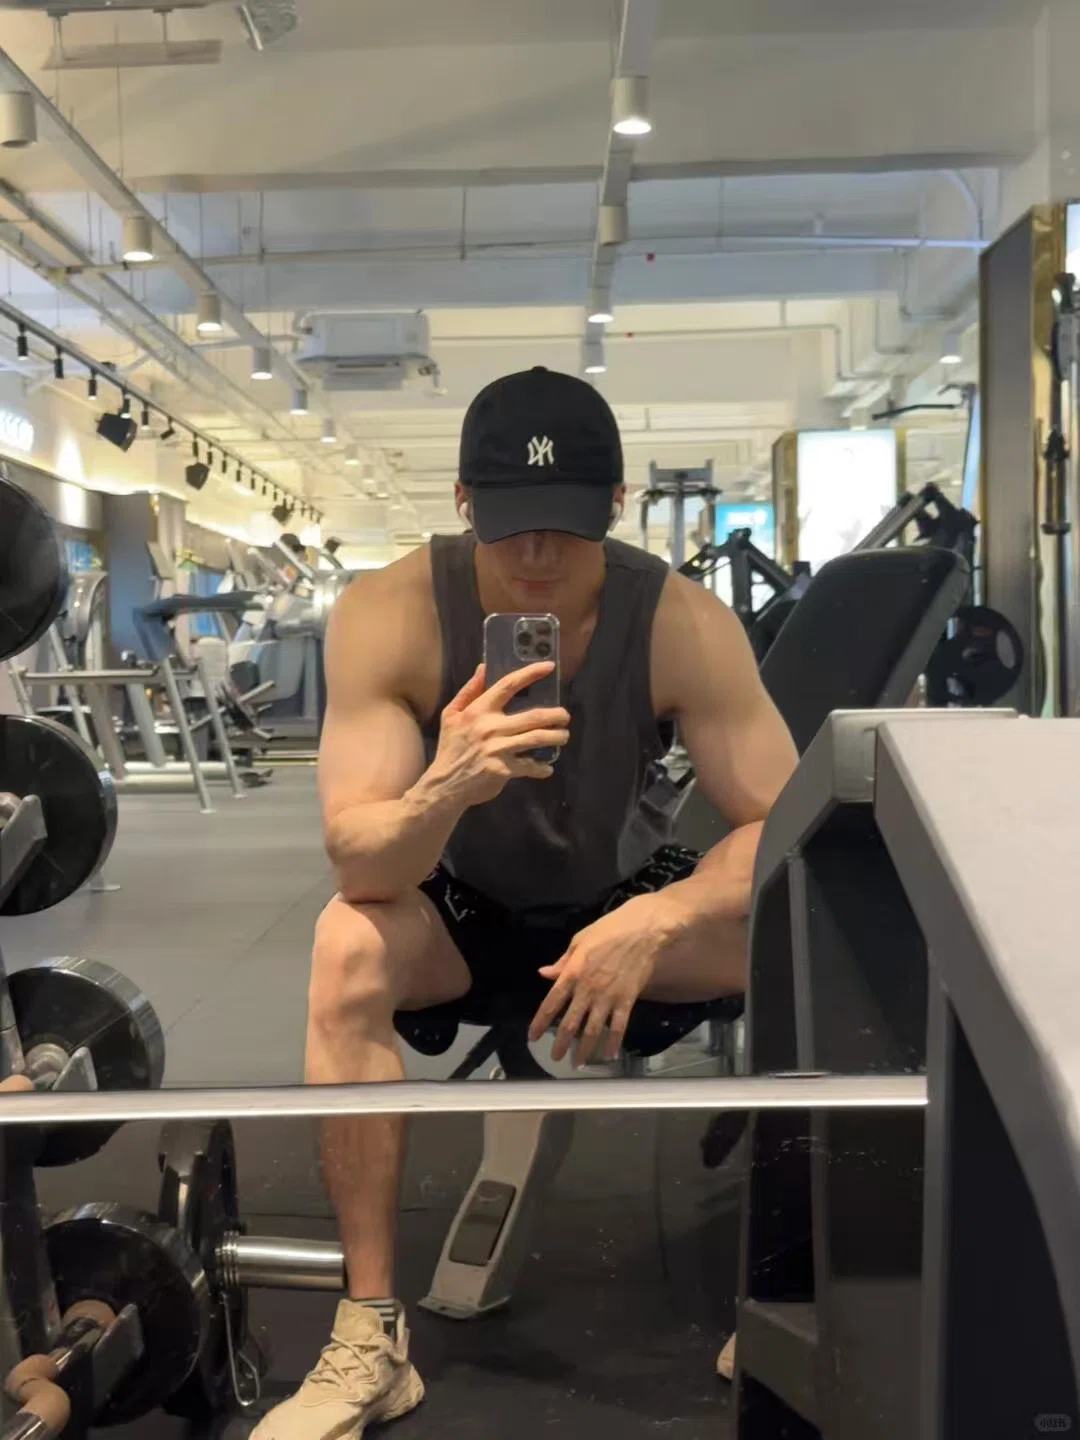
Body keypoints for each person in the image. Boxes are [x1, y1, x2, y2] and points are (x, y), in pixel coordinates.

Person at [252, 366, 797, 1440]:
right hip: (459, 912)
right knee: (345, 943)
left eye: (567, 524)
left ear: (616, 505)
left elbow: (784, 830)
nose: (538, 554)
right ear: (463, 502)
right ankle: (370, 1340)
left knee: (805, 936)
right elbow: (362, 864)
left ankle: (791, 1302)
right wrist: (448, 783)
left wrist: (658, 917)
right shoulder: (391, 612)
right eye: (510, 526)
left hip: (622, 909)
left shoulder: (681, 622)